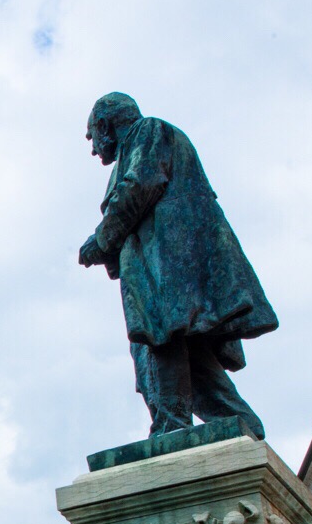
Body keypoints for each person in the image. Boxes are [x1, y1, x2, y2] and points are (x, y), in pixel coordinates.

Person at [76, 92, 278, 441]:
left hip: (167, 271)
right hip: (168, 271)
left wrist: (102, 240)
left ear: (106, 125)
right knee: (188, 357)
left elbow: (139, 186)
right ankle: (241, 424)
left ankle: (171, 427)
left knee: (160, 337)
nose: (94, 150)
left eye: (93, 137)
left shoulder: (147, 132)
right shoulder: (145, 142)